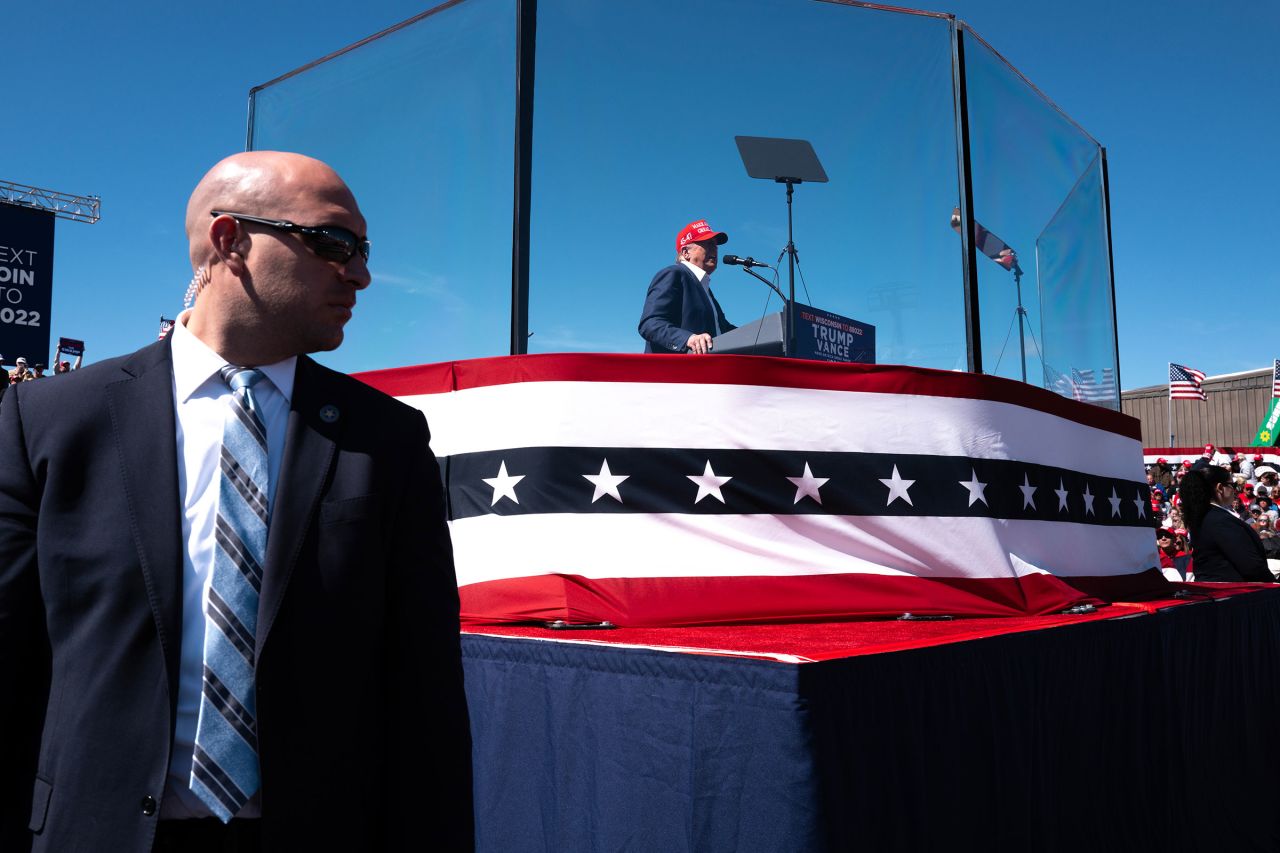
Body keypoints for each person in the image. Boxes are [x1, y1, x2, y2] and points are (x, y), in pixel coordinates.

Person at [0, 151, 472, 852]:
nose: (361, 274)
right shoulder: (46, 420)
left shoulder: (388, 440)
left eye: (364, 250)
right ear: (230, 241)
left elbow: (424, 690)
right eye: (334, 241)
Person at [638, 218, 736, 354]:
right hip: (675, 372)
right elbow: (650, 324)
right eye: (707, 243)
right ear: (685, 253)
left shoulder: (705, 289)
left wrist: (759, 333)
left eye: (715, 245)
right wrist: (687, 339)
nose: (714, 248)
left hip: (709, 370)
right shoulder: (674, 274)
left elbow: (723, 329)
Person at [1177, 465, 1275, 583]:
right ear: (1219, 487)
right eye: (1232, 485)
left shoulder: (1204, 516)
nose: (1235, 490)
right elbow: (1250, 564)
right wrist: (1273, 584)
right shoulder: (1220, 520)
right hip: (1231, 592)